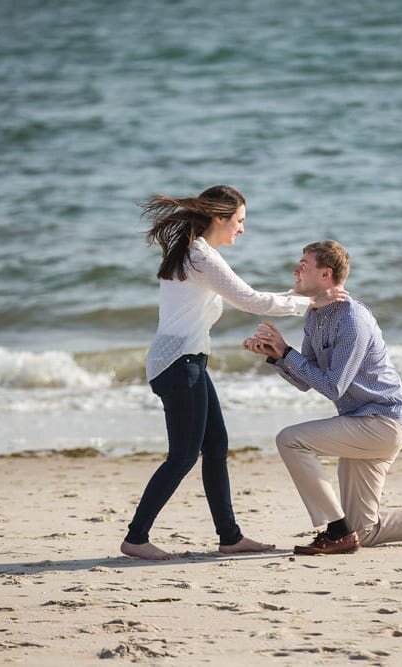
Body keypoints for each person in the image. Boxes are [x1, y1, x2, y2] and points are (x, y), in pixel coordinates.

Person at [121, 187, 346, 560]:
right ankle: (136, 536)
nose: (242, 229)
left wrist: (300, 296)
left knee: (215, 447)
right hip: (180, 364)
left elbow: (248, 294)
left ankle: (229, 536)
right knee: (183, 455)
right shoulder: (199, 256)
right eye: (239, 221)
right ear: (220, 218)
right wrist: (310, 300)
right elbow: (250, 301)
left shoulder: (195, 253)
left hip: (184, 363)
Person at [243, 240, 402, 555]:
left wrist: (287, 351)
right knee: (365, 531)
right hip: (359, 422)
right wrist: (277, 357)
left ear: (326, 275)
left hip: (382, 422)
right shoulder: (315, 317)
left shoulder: (353, 319)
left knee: (290, 440)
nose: (295, 270)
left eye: (304, 265)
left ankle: (336, 529)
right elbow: (306, 381)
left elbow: (333, 387)